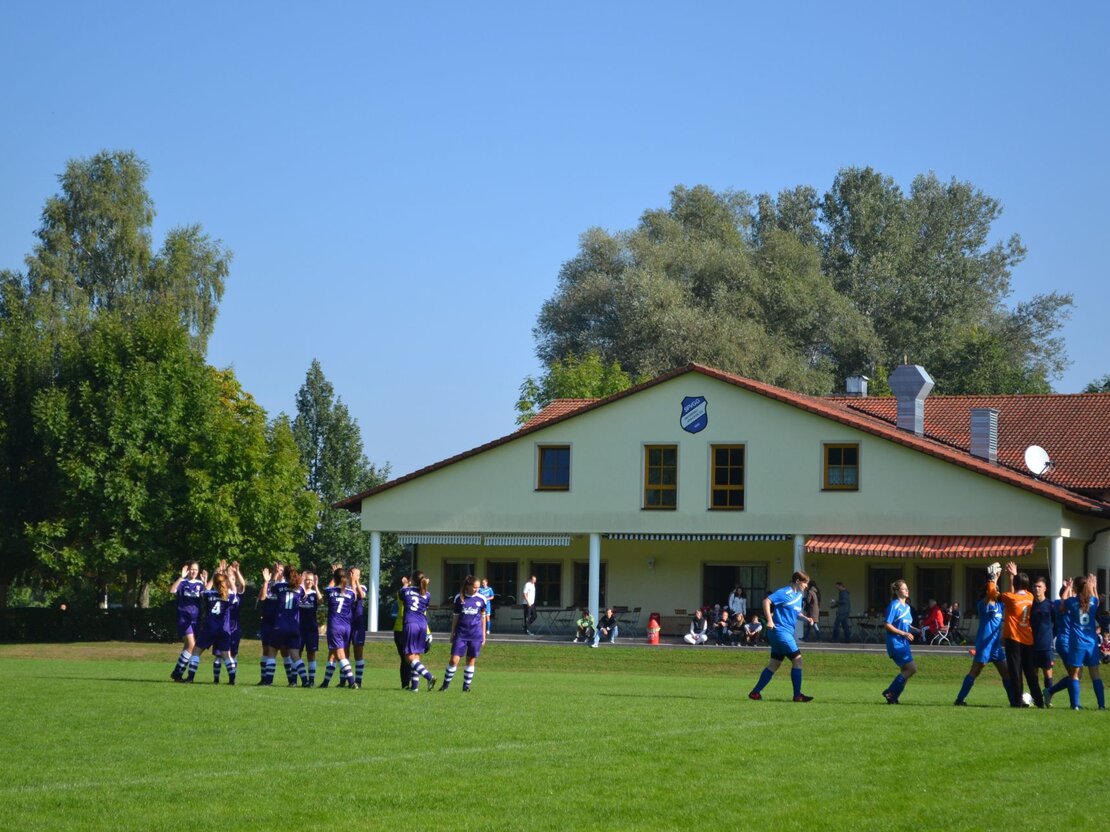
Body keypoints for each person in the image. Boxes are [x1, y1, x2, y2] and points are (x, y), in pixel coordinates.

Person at [748, 571, 815, 702]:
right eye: (805, 583)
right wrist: (769, 620)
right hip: (780, 632)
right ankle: (797, 695)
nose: (807, 586)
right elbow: (766, 601)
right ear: (797, 581)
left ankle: (755, 693)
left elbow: (796, 613)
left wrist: (806, 619)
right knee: (798, 660)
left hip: (781, 633)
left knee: (774, 664)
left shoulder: (798, 596)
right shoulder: (784, 592)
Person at [954, 566, 1013, 706]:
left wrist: (1010, 577)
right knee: (975, 671)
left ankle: (1014, 702)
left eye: (997, 589)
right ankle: (960, 699)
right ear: (988, 591)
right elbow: (991, 593)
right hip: (984, 645)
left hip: (995, 646)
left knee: (1006, 674)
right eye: (994, 589)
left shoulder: (1000, 605)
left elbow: (1011, 596)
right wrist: (994, 579)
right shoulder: (983, 604)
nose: (997, 591)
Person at [999, 561, 1043, 707]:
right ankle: (1039, 701)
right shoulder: (1030, 596)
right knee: (1030, 672)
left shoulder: (1010, 597)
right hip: (1028, 639)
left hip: (1014, 639)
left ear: (1015, 584)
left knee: (1015, 672)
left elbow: (996, 595)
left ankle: (1018, 702)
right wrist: (1014, 576)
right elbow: (1017, 591)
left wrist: (996, 578)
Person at [1058, 573, 1104, 710]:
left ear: (1076, 588)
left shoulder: (1072, 602)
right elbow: (1097, 600)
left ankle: (1076, 705)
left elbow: (1062, 604)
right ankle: (1101, 705)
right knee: (1095, 675)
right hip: (1091, 644)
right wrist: (1093, 587)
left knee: (1075, 674)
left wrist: (1068, 587)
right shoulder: (1093, 601)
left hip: (1077, 643)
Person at [440, 575, 487, 692]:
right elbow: (455, 617)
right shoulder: (459, 598)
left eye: (478, 587)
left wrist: (484, 635)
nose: (477, 589)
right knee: (454, 660)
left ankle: (466, 687)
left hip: (475, 634)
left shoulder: (482, 599)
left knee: (470, 660)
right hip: (461, 634)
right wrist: (452, 633)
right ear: (468, 586)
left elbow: (483, 618)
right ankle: (445, 686)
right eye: (475, 587)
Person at [191, 572, 236, 683]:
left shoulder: (208, 594)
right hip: (224, 629)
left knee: (196, 652)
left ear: (214, 583)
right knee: (226, 656)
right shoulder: (230, 595)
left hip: (210, 628)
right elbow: (234, 591)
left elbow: (204, 591)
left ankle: (190, 677)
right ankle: (232, 680)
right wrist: (229, 578)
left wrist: (210, 578)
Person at [320, 567, 358, 689]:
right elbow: (354, 594)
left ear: (335, 578)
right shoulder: (351, 593)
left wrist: (334, 576)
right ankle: (325, 682)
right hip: (346, 627)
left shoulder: (330, 591)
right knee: (332, 654)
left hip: (335, 626)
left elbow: (328, 588)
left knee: (340, 655)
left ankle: (352, 682)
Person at [401, 570, 437, 692]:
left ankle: (429, 677)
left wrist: (405, 584)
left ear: (412, 580)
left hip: (411, 624)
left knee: (409, 657)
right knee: (416, 655)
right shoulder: (427, 594)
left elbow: (402, 594)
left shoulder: (406, 591)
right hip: (422, 625)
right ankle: (415, 687)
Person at [170, 561, 206, 682]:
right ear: (187, 570)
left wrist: (205, 582)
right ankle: (177, 672)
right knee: (191, 645)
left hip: (196, 619)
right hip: (184, 618)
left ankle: (178, 673)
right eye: (191, 569)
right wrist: (181, 577)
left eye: (195, 569)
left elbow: (207, 595)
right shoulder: (183, 582)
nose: (193, 571)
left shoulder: (200, 584)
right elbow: (172, 590)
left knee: (188, 647)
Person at [882, 579, 916, 704]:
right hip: (895, 642)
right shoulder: (894, 605)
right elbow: (887, 624)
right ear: (897, 591)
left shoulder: (907, 607)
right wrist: (904, 633)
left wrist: (917, 630)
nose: (907, 590)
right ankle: (890, 691)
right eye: (904, 588)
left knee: (906, 671)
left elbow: (905, 625)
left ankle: (893, 697)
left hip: (904, 643)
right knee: (912, 669)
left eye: (907, 588)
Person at [1028, 576, 1055, 705]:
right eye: (1035, 586)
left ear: (1045, 588)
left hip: (1046, 645)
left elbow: (1056, 623)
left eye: (1039, 586)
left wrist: (1051, 636)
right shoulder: (1030, 605)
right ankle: (1036, 698)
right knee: (1033, 674)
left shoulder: (1050, 605)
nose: (1037, 589)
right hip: (1031, 644)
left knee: (1047, 673)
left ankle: (1048, 699)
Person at [298, 570, 322, 687]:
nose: (309, 582)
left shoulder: (314, 593)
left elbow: (321, 601)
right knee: (297, 653)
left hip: (311, 628)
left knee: (311, 654)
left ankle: (311, 680)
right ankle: (294, 680)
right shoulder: (299, 592)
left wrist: (316, 586)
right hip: (299, 627)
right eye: (307, 579)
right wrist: (301, 584)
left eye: (311, 580)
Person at [346, 567, 367, 687]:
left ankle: (358, 681)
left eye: (358, 574)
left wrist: (356, 581)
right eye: (353, 574)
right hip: (346, 623)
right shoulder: (345, 588)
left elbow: (361, 595)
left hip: (358, 624)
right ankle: (344, 680)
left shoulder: (362, 586)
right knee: (345, 653)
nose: (355, 576)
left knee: (358, 653)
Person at [393, 575, 411, 689]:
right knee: (406, 658)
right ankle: (407, 683)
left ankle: (408, 683)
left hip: (407, 628)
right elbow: (401, 593)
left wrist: (405, 585)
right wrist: (405, 585)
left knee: (409, 658)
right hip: (402, 629)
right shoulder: (403, 593)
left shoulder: (415, 594)